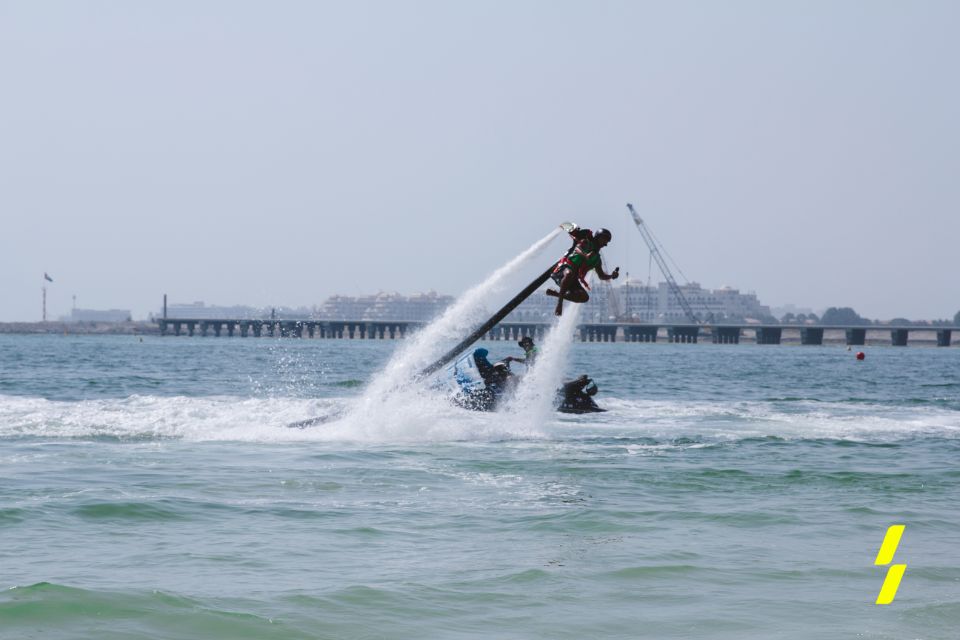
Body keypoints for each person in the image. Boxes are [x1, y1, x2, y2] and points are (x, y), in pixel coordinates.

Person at [546, 226, 620, 316]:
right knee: (569, 273)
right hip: (562, 270)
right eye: (604, 240)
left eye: (607, 242)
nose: (605, 244)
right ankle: (559, 304)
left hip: (573, 279)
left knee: (584, 297)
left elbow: (601, 276)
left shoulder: (597, 259)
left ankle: (555, 293)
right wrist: (585, 255)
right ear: (598, 237)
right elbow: (577, 249)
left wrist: (611, 276)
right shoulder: (586, 242)